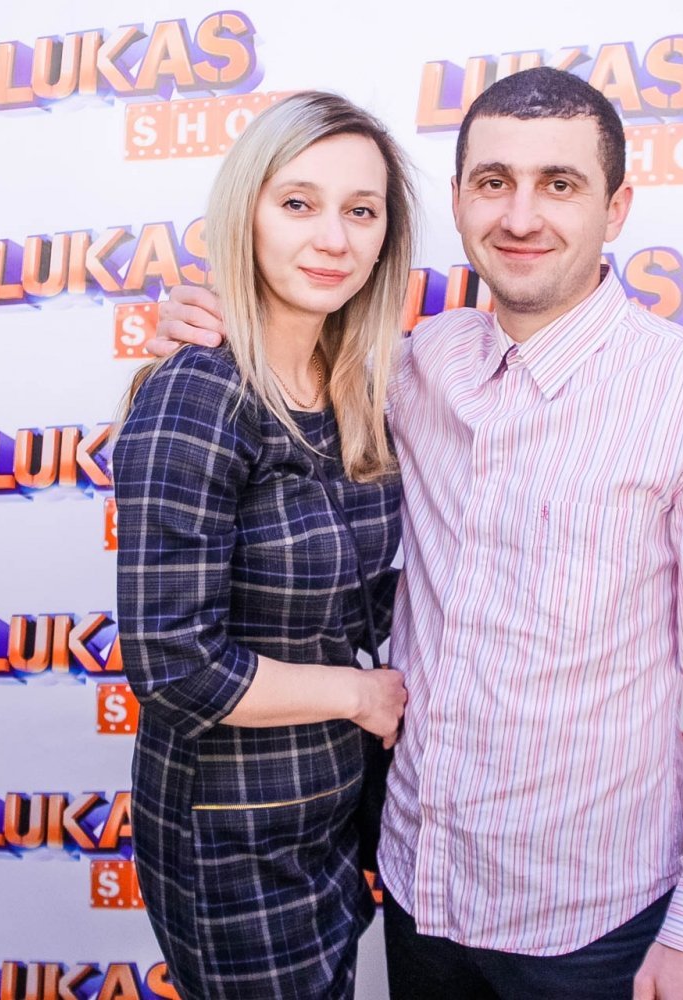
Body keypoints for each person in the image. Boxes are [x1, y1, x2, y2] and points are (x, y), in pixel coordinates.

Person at [153, 68, 683, 1000]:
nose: (521, 216)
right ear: (458, 200)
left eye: (560, 184)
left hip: (592, 920)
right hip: (418, 888)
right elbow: (281, 371)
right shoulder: (416, 366)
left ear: (617, 208)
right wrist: (206, 320)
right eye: (494, 182)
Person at [112, 91, 418, 999]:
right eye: (298, 203)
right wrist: (360, 694)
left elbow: (357, 596)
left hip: (329, 814)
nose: (333, 238)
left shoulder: (348, 385)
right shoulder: (201, 391)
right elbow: (173, 665)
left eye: (361, 211)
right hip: (230, 835)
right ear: (243, 213)